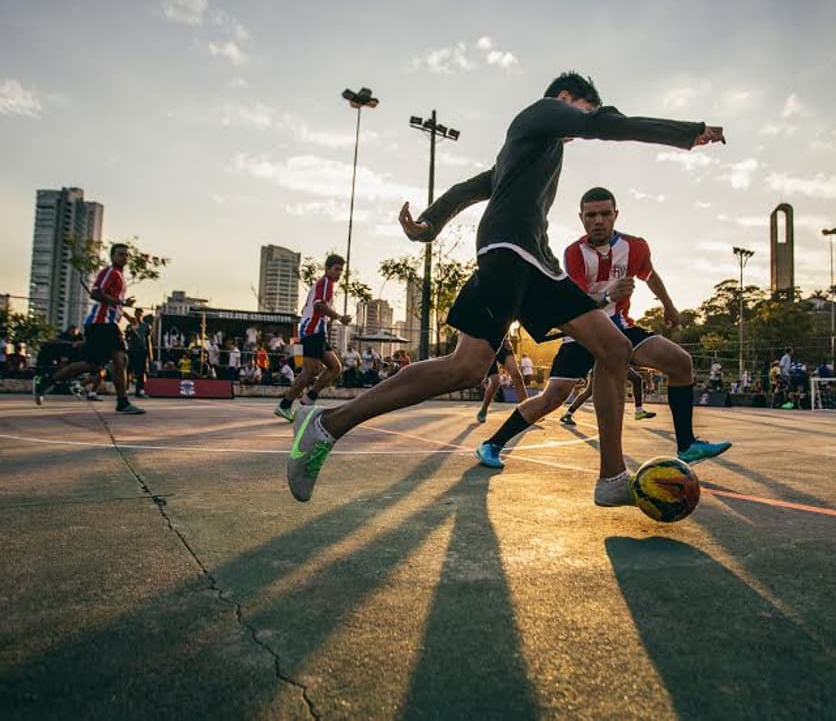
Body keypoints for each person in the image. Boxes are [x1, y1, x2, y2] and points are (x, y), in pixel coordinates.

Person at [286, 71, 726, 506]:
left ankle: (612, 479)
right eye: (581, 113)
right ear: (567, 98)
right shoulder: (542, 113)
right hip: (509, 251)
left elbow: (473, 186)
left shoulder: (532, 148)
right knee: (466, 368)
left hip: (534, 260)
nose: (577, 132)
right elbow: (603, 124)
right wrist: (688, 133)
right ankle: (327, 424)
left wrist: (429, 224)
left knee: (611, 348)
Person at [474, 186, 728, 468]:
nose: (598, 220)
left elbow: (650, 274)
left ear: (615, 215)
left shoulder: (635, 247)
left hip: (619, 327)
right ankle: (492, 443)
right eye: (591, 215)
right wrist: (608, 295)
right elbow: (579, 301)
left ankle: (686, 445)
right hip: (584, 331)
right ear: (581, 218)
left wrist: (668, 306)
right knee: (552, 397)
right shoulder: (574, 253)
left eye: (605, 214)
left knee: (681, 362)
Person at [33, 243, 145, 414]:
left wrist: (125, 314)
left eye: (126, 255)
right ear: (112, 256)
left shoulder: (120, 276)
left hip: (106, 324)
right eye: (121, 254)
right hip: (101, 324)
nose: (124, 257)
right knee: (117, 359)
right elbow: (96, 293)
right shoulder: (110, 272)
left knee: (95, 364)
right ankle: (122, 402)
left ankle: (46, 382)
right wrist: (121, 303)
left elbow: (111, 303)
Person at [274, 254, 352, 420]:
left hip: (317, 332)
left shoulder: (323, 284)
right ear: (327, 269)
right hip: (312, 331)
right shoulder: (326, 283)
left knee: (335, 367)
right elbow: (318, 305)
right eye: (336, 269)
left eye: (341, 271)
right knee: (310, 371)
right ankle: (285, 405)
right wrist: (339, 317)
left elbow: (308, 308)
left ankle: (309, 398)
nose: (339, 273)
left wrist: (327, 321)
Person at [561, 367, 655, 425]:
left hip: (616, 361)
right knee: (589, 391)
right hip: (603, 362)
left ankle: (639, 411)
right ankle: (568, 414)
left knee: (637, 379)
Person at [476, 336, 529, 423]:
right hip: (485, 345)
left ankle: (528, 410)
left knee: (516, 376)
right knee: (495, 381)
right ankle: (484, 410)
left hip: (502, 343)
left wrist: (507, 337)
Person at [124, 307, 152, 398]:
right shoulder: (129, 326)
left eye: (140, 314)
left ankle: (140, 390)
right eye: (137, 314)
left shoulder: (146, 326)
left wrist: (150, 353)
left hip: (142, 350)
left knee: (142, 371)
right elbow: (126, 338)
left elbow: (148, 340)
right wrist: (130, 332)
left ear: (142, 315)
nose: (139, 316)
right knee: (128, 371)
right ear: (135, 314)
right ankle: (126, 390)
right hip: (131, 350)